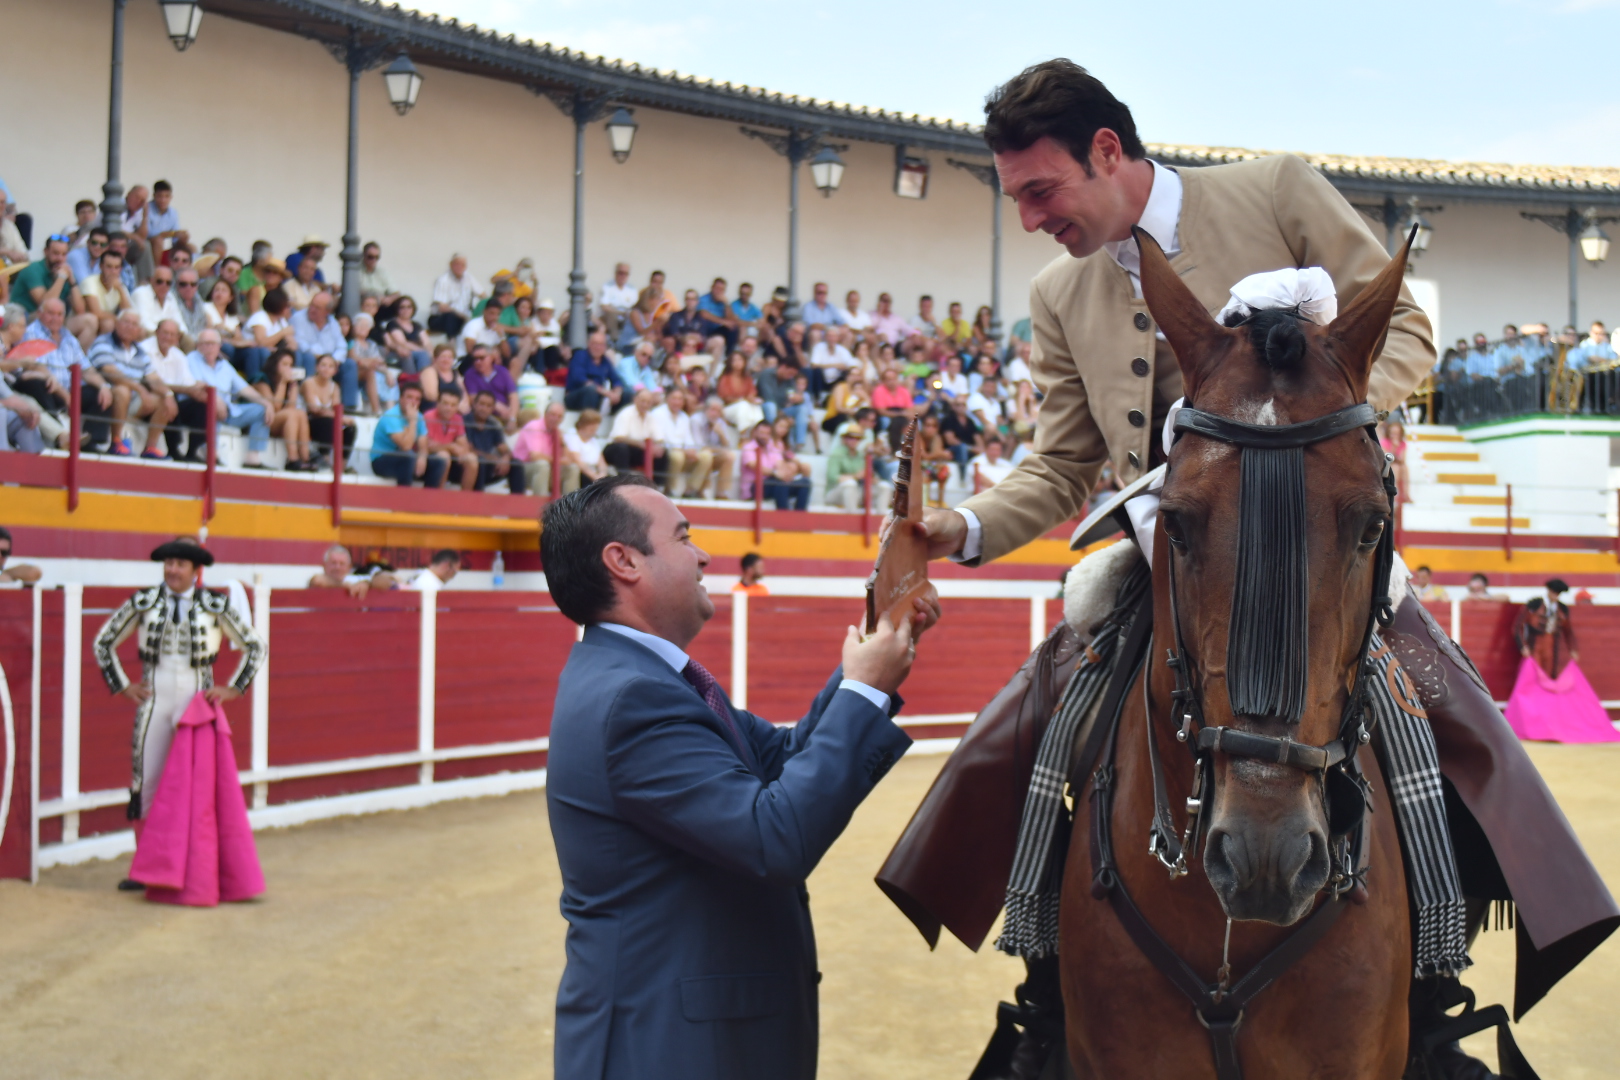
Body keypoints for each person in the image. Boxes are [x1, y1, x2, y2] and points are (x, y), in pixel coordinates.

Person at [541, 473, 934, 1079]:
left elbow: (780, 758)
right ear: (623, 562)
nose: (702, 555)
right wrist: (864, 687)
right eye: (683, 537)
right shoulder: (635, 697)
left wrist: (879, 634)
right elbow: (773, 838)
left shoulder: (645, 679)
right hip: (670, 1050)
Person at [92, 538, 265, 887]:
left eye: (179, 564)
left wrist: (234, 688)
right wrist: (122, 685)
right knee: (147, 783)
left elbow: (255, 646)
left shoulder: (216, 605)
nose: (172, 570)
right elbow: (103, 642)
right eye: (168, 563)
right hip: (154, 701)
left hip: (197, 704)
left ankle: (199, 867)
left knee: (200, 786)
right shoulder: (144, 601)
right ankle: (146, 869)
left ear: (195, 571)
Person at [1503, 579, 1620, 743]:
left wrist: (1573, 649)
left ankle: (1545, 725)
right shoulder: (1534, 605)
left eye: (1558, 594)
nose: (1556, 596)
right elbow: (1517, 627)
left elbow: (1568, 631)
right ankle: (1530, 725)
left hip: (1552, 650)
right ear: (1548, 591)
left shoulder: (1562, 609)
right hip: (1535, 647)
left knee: (1548, 685)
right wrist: (1522, 646)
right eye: (1554, 592)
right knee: (1530, 684)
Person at [370, 381, 441, 487]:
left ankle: (428, 500)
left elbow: (423, 444)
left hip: (406, 460)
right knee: (408, 456)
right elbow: (406, 446)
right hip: (381, 461)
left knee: (438, 462)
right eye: (409, 397)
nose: (413, 402)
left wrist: (422, 457)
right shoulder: (391, 416)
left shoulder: (419, 417)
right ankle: (404, 499)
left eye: (417, 399)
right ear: (401, 398)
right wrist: (412, 421)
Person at [423, 385, 475, 490]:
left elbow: (463, 444)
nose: (449, 408)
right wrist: (451, 446)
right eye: (445, 403)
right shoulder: (428, 416)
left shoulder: (457, 418)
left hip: (451, 457)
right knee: (444, 456)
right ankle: (440, 496)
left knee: (471, 459)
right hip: (430, 460)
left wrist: (461, 451)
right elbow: (429, 447)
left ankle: (466, 499)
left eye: (453, 405)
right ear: (438, 403)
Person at [464, 390, 517, 492]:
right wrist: (493, 458)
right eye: (481, 404)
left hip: (490, 466)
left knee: (515, 463)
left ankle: (519, 502)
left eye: (489, 406)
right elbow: (469, 449)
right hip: (468, 466)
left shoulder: (493, 423)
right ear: (474, 404)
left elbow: (503, 448)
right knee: (481, 460)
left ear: (493, 409)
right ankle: (477, 501)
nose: (484, 409)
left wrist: (505, 458)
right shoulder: (465, 420)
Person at [309, 544, 396, 598]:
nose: (337, 567)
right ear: (324, 565)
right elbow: (317, 581)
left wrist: (368, 585)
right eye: (333, 563)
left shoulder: (357, 578)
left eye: (342, 564)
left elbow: (387, 580)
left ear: (349, 567)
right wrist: (345, 586)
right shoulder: (321, 578)